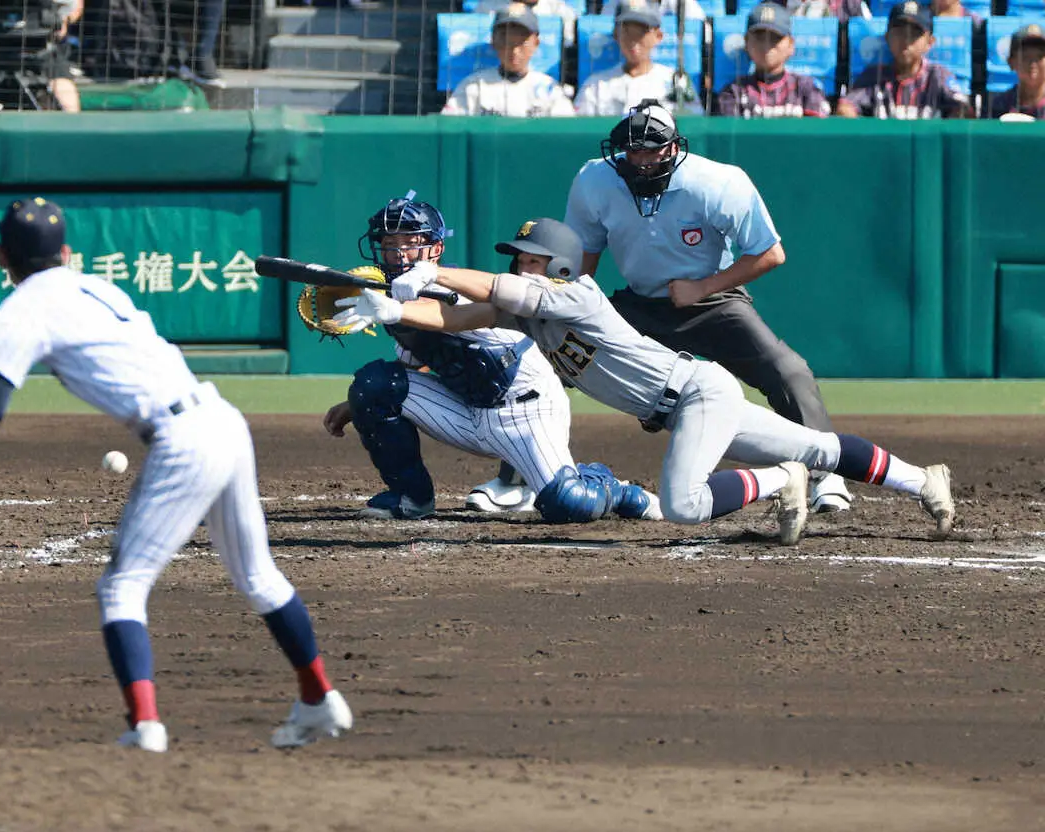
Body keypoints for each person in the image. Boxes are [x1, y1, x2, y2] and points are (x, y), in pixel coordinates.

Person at [0, 197, 352, 753]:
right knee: (258, 578)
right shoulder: (96, 287)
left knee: (122, 587)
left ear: (1, 254)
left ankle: (145, 728)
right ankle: (319, 700)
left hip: (182, 441)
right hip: (222, 419)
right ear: (67, 252)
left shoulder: (25, 307)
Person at [332, 218, 956, 545]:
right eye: (519, 258)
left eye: (532, 259)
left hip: (695, 394)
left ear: (563, 265)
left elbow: (490, 290)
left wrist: (431, 267)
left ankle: (778, 482)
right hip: (689, 400)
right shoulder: (524, 307)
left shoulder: (574, 294)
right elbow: (458, 315)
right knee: (818, 446)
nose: (521, 266)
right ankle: (923, 480)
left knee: (684, 504)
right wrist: (393, 308)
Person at [557, 99, 853, 512]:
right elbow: (584, 257)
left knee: (789, 372)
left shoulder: (717, 182)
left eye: (651, 149)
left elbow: (769, 253)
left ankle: (826, 477)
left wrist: (703, 287)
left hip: (713, 301)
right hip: (639, 305)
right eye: (632, 150)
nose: (641, 160)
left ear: (674, 148)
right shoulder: (595, 179)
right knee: (556, 355)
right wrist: (570, 312)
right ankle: (526, 477)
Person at [323, 194, 662, 524]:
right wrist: (358, 403)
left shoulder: (454, 287)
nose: (397, 252)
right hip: (466, 411)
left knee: (567, 503)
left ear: (436, 249)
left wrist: (394, 309)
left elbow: (445, 312)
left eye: (408, 242)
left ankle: (615, 489)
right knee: (375, 383)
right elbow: (410, 366)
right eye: (389, 243)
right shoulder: (398, 309)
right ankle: (411, 498)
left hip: (526, 412)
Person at [836, 0, 972, 120]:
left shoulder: (939, 75)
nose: (906, 40)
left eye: (915, 34)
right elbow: (846, 108)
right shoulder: (873, 76)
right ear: (887, 37)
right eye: (899, 32)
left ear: (929, 42)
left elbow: (963, 110)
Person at [441, 3, 576, 117]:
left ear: (536, 44)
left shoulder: (549, 88)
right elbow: (448, 128)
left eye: (521, 43)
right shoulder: (474, 86)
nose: (514, 51)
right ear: (494, 42)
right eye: (507, 42)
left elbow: (569, 135)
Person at [574, 0, 699, 117]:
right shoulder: (596, 85)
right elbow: (579, 133)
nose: (634, 40)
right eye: (627, 31)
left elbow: (695, 130)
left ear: (658, 36)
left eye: (642, 32)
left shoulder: (677, 82)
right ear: (616, 35)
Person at [713, 2, 831, 118]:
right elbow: (727, 135)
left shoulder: (806, 88)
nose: (766, 45)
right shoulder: (734, 92)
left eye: (775, 38)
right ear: (746, 42)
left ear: (791, 45)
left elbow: (818, 133)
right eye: (760, 37)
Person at [987, 23, 1045, 122]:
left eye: (1039, 57)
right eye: (1025, 57)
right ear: (1011, 62)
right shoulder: (999, 105)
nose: (1033, 63)